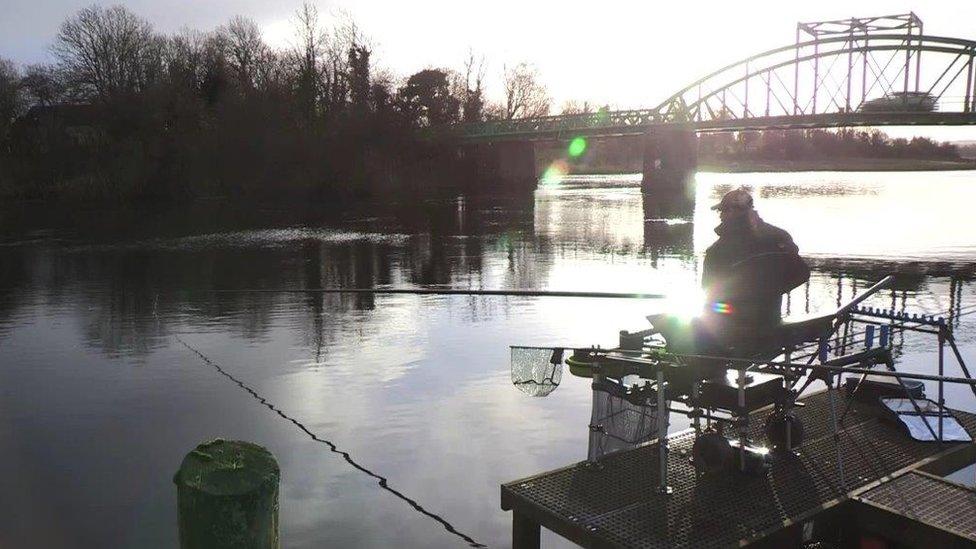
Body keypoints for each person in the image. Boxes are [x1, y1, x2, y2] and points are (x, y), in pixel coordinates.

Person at [701, 187, 810, 335]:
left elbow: (707, 288)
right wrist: (771, 292)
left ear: (735, 212)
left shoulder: (718, 251)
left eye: (723, 210)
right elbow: (802, 273)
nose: (720, 215)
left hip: (732, 326)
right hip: (769, 320)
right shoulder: (779, 237)